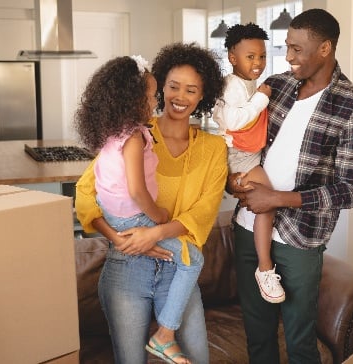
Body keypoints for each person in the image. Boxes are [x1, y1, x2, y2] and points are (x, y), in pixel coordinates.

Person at [227, 9, 353, 363]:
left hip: (300, 238)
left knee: (300, 342)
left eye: (297, 49)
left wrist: (275, 198)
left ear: (324, 49)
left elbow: (351, 189)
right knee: (258, 336)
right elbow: (239, 140)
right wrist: (233, 182)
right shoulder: (275, 87)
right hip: (248, 226)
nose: (288, 57)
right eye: (287, 47)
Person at [75, 42, 227, 364]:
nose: (180, 96)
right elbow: (86, 192)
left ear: (203, 95)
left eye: (191, 89)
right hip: (126, 269)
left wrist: (154, 234)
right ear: (159, 89)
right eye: (173, 86)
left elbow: (203, 212)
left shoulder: (214, 149)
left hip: (177, 274)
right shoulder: (133, 134)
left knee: (198, 359)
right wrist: (117, 237)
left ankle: (165, 336)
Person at [212, 23, 285, 304]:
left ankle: (263, 263)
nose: (257, 63)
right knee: (267, 202)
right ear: (232, 57)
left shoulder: (246, 83)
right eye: (250, 56)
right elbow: (235, 121)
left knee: (258, 200)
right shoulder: (233, 85)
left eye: (262, 56)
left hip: (246, 153)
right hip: (239, 155)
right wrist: (262, 98)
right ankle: (265, 268)